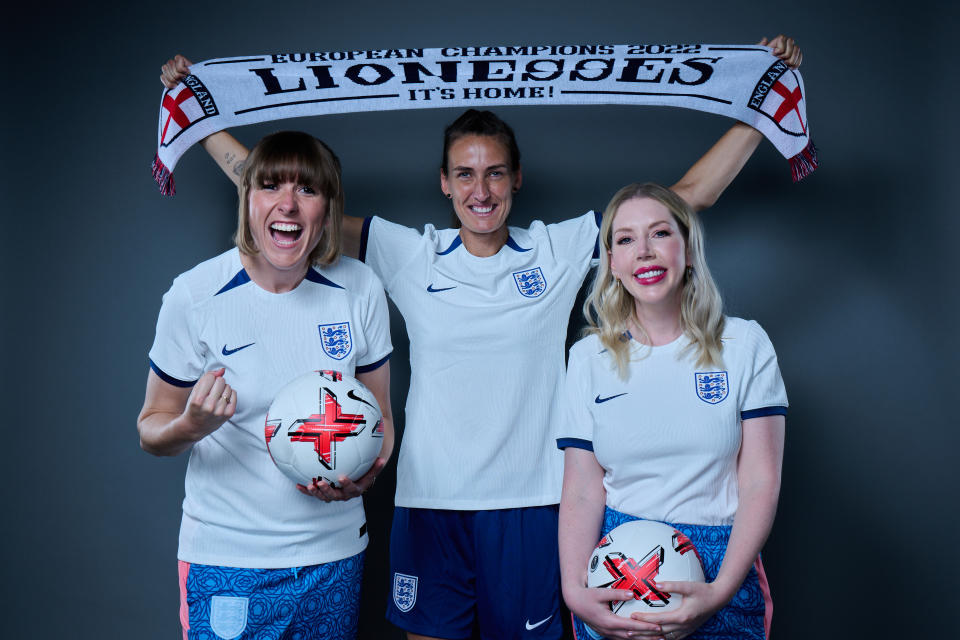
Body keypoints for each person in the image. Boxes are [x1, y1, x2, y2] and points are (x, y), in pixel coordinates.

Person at [159, 35, 798, 640]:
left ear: (516, 178)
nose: (480, 189)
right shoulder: (412, 253)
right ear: (444, 183)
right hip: (428, 506)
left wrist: (759, 108)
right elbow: (287, 199)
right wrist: (201, 117)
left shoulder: (557, 248)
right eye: (464, 174)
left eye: (494, 173)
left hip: (533, 506)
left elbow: (682, 200)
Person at [137, 130, 394, 640]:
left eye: (308, 190)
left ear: (327, 207)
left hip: (334, 554)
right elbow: (150, 429)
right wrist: (192, 424)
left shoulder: (359, 287)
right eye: (271, 186)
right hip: (227, 558)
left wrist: (364, 478)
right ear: (247, 199)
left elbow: (382, 417)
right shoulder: (195, 295)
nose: (288, 205)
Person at [557, 182, 787, 640]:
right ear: (612, 263)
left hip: (723, 562)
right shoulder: (588, 359)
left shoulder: (745, 345)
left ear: (687, 247)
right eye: (625, 239)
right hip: (619, 569)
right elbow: (583, 488)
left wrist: (721, 589)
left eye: (659, 233)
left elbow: (760, 478)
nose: (643, 251)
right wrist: (573, 590)